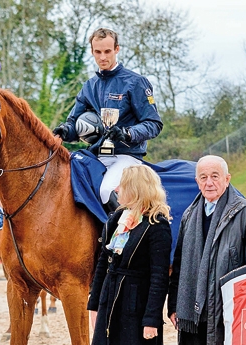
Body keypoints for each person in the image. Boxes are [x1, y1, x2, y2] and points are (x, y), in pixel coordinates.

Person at [53, 28, 163, 211]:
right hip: (96, 155)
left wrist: (127, 134)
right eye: (98, 52)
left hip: (127, 156)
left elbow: (154, 124)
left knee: (105, 191)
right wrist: (66, 130)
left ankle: (115, 238)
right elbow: (74, 124)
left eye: (107, 51)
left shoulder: (136, 82)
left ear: (117, 49)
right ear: (92, 52)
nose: (102, 57)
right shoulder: (89, 86)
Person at [167, 155, 246, 345]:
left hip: (227, 314)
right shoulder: (189, 215)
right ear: (197, 182)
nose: (209, 183)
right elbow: (179, 265)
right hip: (191, 315)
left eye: (215, 176)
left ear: (227, 179)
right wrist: (174, 305)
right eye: (203, 177)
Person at [87, 165, 172, 345]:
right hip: (109, 301)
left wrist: (151, 319)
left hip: (135, 308)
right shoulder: (117, 220)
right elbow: (103, 262)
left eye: (122, 185)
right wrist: (94, 305)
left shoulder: (157, 225)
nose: (117, 189)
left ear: (135, 189)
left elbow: (159, 277)